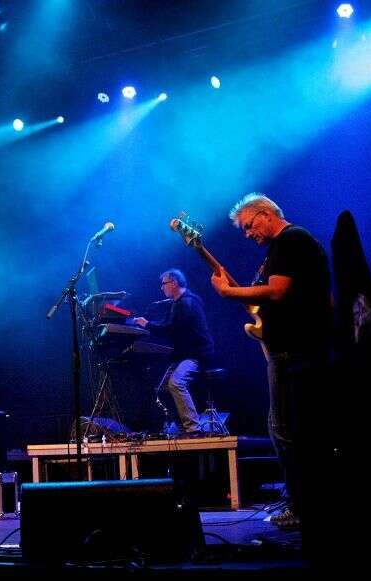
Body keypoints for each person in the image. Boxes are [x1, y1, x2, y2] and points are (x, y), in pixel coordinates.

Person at [210, 193, 333, 534]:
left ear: (265, 214)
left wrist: (228, 292)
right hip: (292, 350)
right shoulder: (283, 247)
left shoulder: (291, 240)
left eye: (249, 226)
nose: (249, 234)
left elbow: (277, 291)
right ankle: (302, 503)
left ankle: (302, 506)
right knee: (288, 428)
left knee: (286, 430)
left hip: (296, 352)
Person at [132, 269, 215, 437]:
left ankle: (193, 429)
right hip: (184, 355)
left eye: (163, 284)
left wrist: (147, 324)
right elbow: (167, 324)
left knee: (176, 383)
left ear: (174, 283)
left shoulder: (186, 303)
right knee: (162, 390)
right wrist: (148, 324)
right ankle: (183, 429)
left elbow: (169, 328)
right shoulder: (178, 303)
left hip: (197, 355)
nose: (162, 288)